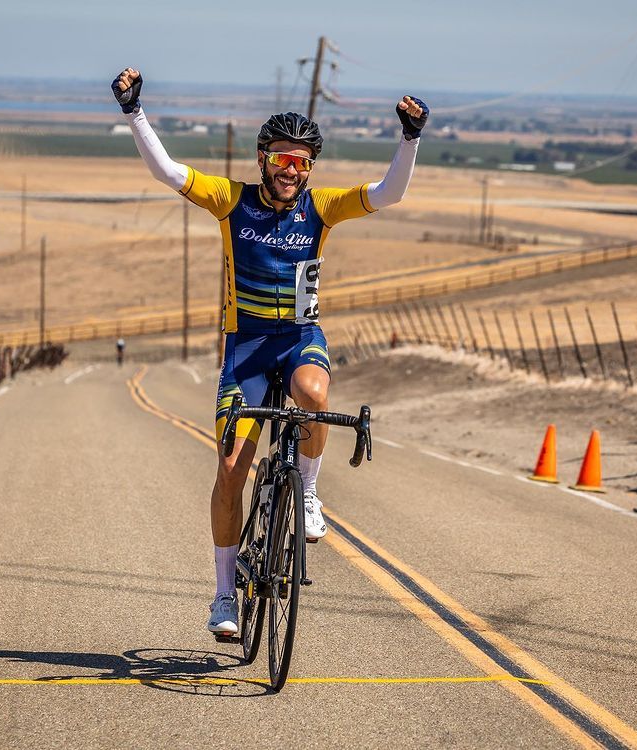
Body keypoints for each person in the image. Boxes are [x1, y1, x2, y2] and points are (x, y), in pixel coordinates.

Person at [111, 68, 428, 636]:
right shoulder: (230, 200)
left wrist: (410, 139)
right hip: (247, 349)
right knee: (231, 471)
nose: (292, 171)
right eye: (282, 159)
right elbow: (168, 171)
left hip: (301, 338)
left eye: (303, 162)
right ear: (262, 160)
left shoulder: (323, 208)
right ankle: (224, 594)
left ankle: (307, 490)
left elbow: (389, 194)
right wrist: (135, 111)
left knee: (313, 394)